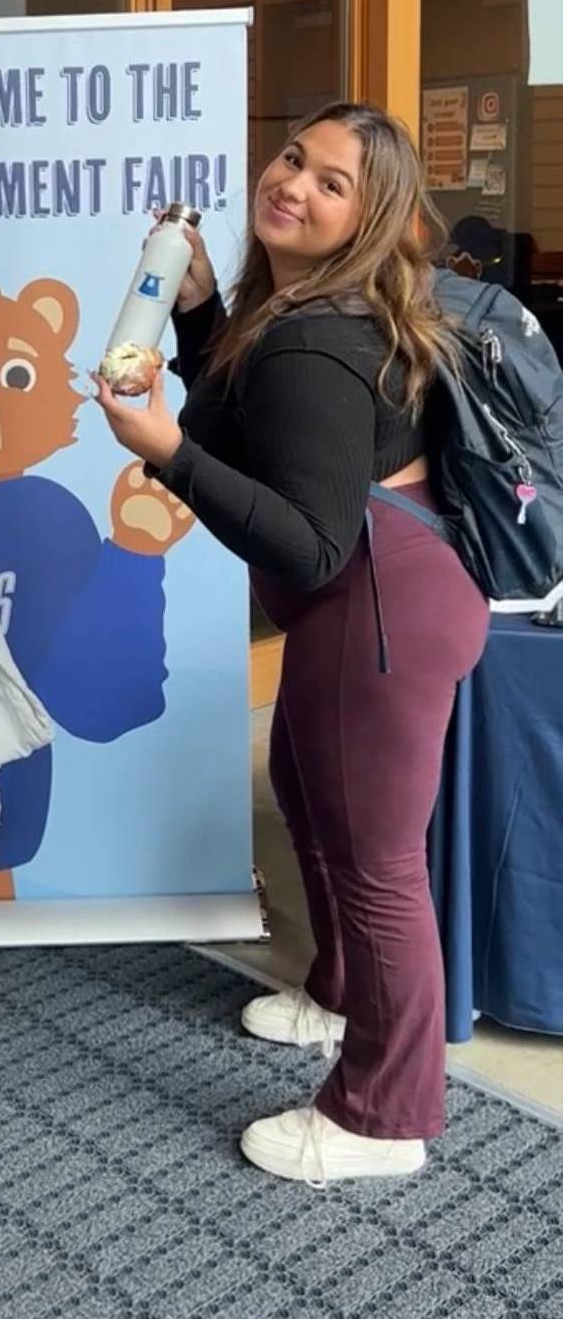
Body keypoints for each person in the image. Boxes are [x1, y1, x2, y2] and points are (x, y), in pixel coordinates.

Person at [95, 102, 489, 1185]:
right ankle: (341, 998)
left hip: (377, 610)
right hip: (373, 604)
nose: (293, 186)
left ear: (372, 218)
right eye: (291, 159)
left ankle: (384, 1112)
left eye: (330, 184)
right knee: (308, 795)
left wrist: (166, 451)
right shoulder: (305, 310)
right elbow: (249, 431)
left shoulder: (321, 337)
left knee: (378, 864)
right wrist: (199, 311)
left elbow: (308, 546)